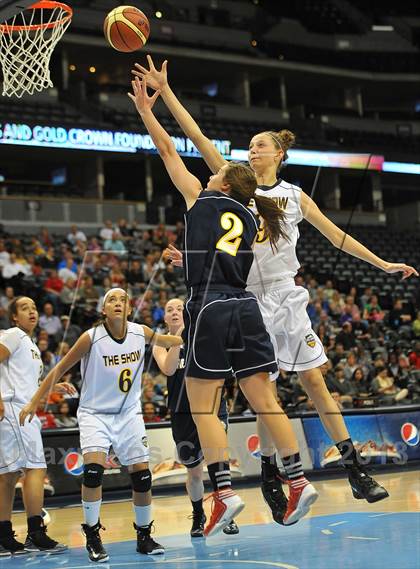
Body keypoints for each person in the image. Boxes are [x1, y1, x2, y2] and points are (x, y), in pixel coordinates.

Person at [134, 56, 418, 516]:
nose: (252, 150)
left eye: (259, 145)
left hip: (286, 294)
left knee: (313, 380)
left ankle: (353, 467)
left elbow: (337, 237)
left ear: (278, 155)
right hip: (247, 297)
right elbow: (194, 138)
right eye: (249, 145)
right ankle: (274, 472)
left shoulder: (293, 196)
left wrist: (383, 263)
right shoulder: (237, 187)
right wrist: (165, 92)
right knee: (261, 387)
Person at [129, 76, 318, 535]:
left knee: (202, 407)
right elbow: (219, 252)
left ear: (222, 182)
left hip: (210, 308)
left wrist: (145, 111)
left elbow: (169, 152)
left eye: (217, 170)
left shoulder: (201, 196)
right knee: (264, 398)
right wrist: (187, 256)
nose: (211, 171)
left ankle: (224, 493)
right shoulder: (254, 216)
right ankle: (296, 481)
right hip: (247, 307)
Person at [19, 288, 183, 562]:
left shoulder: (140, 331)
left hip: (128, 413)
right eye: (112, 300)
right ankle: (92, 534)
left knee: (142, 476)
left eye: (123, 300)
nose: (118, 303)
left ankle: (144, 535)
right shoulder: (91, 337)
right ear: (103, 310)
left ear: (129, 309)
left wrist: (184, 326)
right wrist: (34, 402)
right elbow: (58, 370)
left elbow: (171, 338)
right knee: (93, 472)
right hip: (95, 413)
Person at [153, 298, 239, 537]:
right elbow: (169, 369)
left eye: (179, 308)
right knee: (193, 471)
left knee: (217, 460)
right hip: (182, 412)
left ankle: (226, 510)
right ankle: (199, 514)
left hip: (211, 407)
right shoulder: (160, 344)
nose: (174, 312)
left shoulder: (203, 336)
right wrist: (178, 337)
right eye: (169, 309)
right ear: (164, 317)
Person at [0, 297, 70, 556]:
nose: (32, 311)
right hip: (14, 410)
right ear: (14, 317)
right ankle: (35, 533)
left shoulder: (30, 346)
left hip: (22, 411)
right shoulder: (14, 335)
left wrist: (52, 388)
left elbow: (27, 384)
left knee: (7, 476)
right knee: (35, 470)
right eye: (24, 308)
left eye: (34, 307)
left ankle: (4, 535)